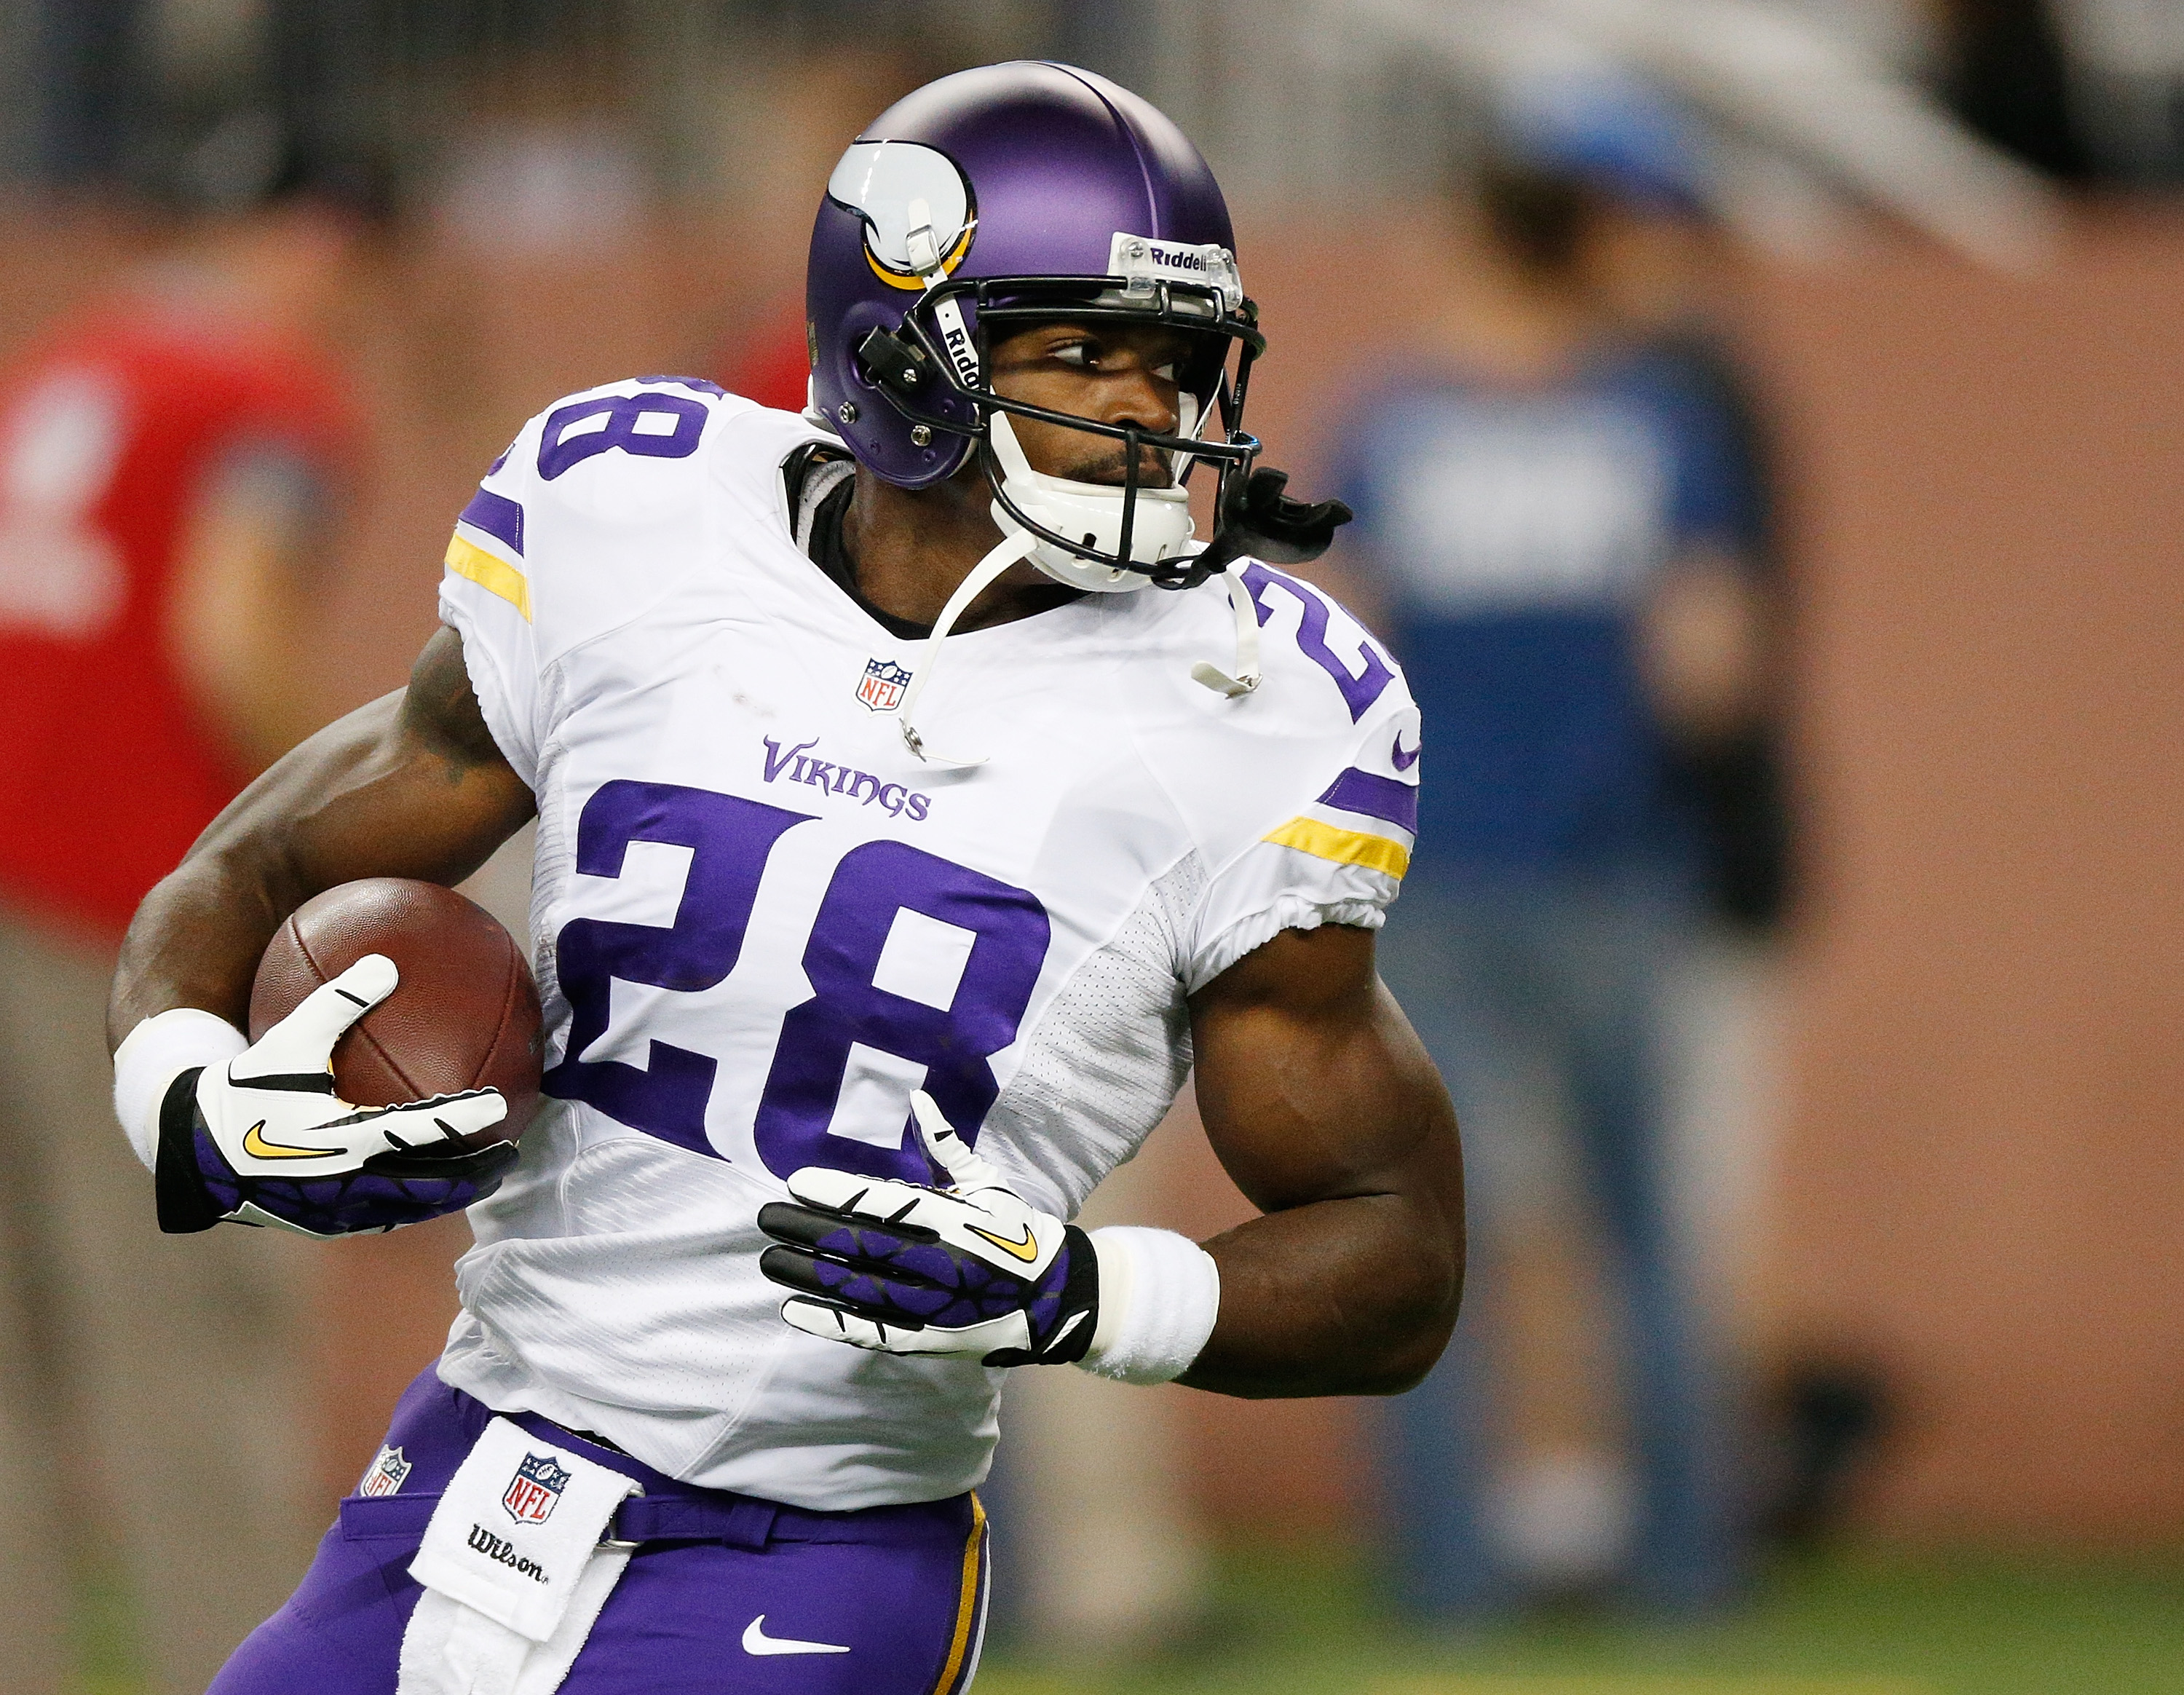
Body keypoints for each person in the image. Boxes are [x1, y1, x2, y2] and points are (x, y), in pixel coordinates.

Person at [107, 63, 1464, 1692]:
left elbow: (1397, 1253)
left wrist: (1081, 1289)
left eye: (1172, 364)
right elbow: (254, 863)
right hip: (475, 1456)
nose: (1147, 414)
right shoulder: (639, 519)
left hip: (814, 1540)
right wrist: (190, 1099)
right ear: (902, 350)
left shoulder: (1254, 706)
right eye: (1082, 351)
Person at [1340, 149, 1768, 1616]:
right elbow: (1711, 667)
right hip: (1612, 866)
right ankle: (1685, 1574)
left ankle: (1446, 1582)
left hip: (1439, 867)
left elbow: (1342, 661)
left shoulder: (1393, 422)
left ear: (1472, 238)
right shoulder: (1652, 416)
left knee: (1418, 1229)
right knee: (1645, 1229)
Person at [0, 175, 368, 1691]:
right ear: (329, 237)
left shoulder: (66, 366)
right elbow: (226, 632)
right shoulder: (266, 398)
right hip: (120, 922)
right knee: (189, 1360)